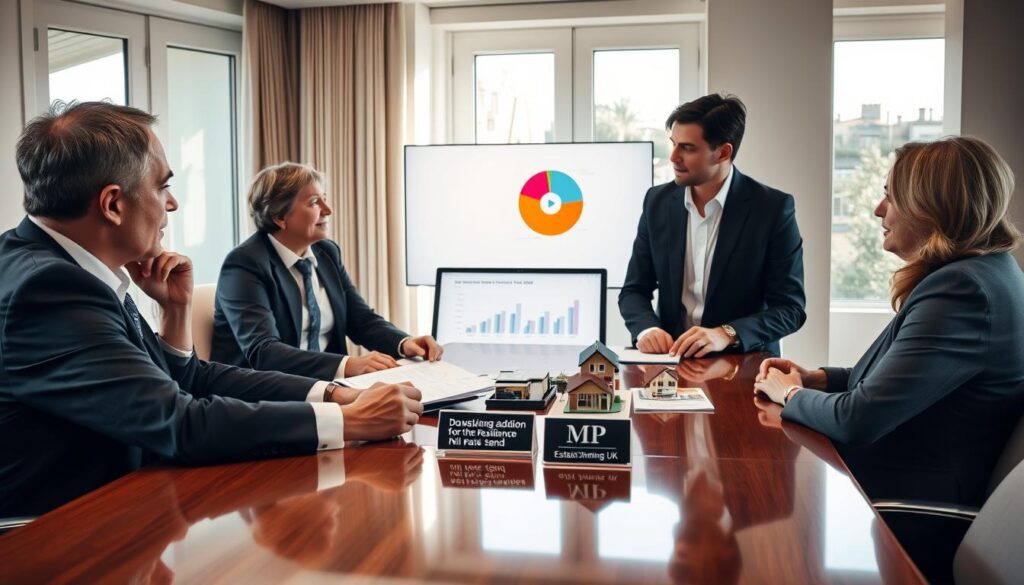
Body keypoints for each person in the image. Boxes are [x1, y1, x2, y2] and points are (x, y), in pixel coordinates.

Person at [0, 102, 422, 517]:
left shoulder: (67, 265)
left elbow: (189, 380)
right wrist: (349, 420)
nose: (172, 204)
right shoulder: (50, 288)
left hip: (123, 503)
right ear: (112, 205)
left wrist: (335, 393)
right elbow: (179, 421)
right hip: (61, 532)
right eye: (163, 186)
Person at [754, 136, 1024, 507]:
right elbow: (891, 383)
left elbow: (858, 419)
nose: (879, 210)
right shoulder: (983, 272)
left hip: (909, 506)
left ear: (931, 206)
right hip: (893, 483)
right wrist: (818, 377)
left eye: (891, 197)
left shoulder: (962, 290)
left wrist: (790, 394)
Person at [211, 162, 441, 381]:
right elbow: (264, 352)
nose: (328, 210)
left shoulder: (326, 252)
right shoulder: (244, 264)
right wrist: (347, 365)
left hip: (327, 387)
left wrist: (404, 342)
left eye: (325, 200)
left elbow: (360, 319)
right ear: (280, 217)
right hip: (261, 397)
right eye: (313, 203)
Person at [619, 93, 806, 358]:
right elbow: (634, 290)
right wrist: (647, 329)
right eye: (673, 144)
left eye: (687, 148)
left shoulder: (772, 209)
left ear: (723, 152)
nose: (673, 157)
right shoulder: (656, 202)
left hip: (743, 366)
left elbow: (791, 309)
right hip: (670, 364)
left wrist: (726, 333)